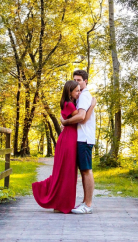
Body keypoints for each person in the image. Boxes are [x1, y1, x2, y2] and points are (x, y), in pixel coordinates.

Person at [32, 80, 96, 213]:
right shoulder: (70, 105)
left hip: (71, 137)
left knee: (68, 171)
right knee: (66, 171)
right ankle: (60, 202)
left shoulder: (70, 103)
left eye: (80, 90)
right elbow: (83, 118)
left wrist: (65, 121)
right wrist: (92, 106)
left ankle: (61, 202)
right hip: (68, 139)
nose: (79, 93)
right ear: (69, 92)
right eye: (77, 91)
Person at [60, 69, 96, 214]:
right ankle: (84, 202)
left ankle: (88, 205)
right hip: (81, 138)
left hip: (84, 138)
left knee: (86, 170)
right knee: (83, 171)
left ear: (85, 81)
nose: (77, 83)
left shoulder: (84, 96)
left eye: (79, 80)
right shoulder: (80, 96)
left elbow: (82, 117)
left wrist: (65, 121)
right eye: (75, 80)